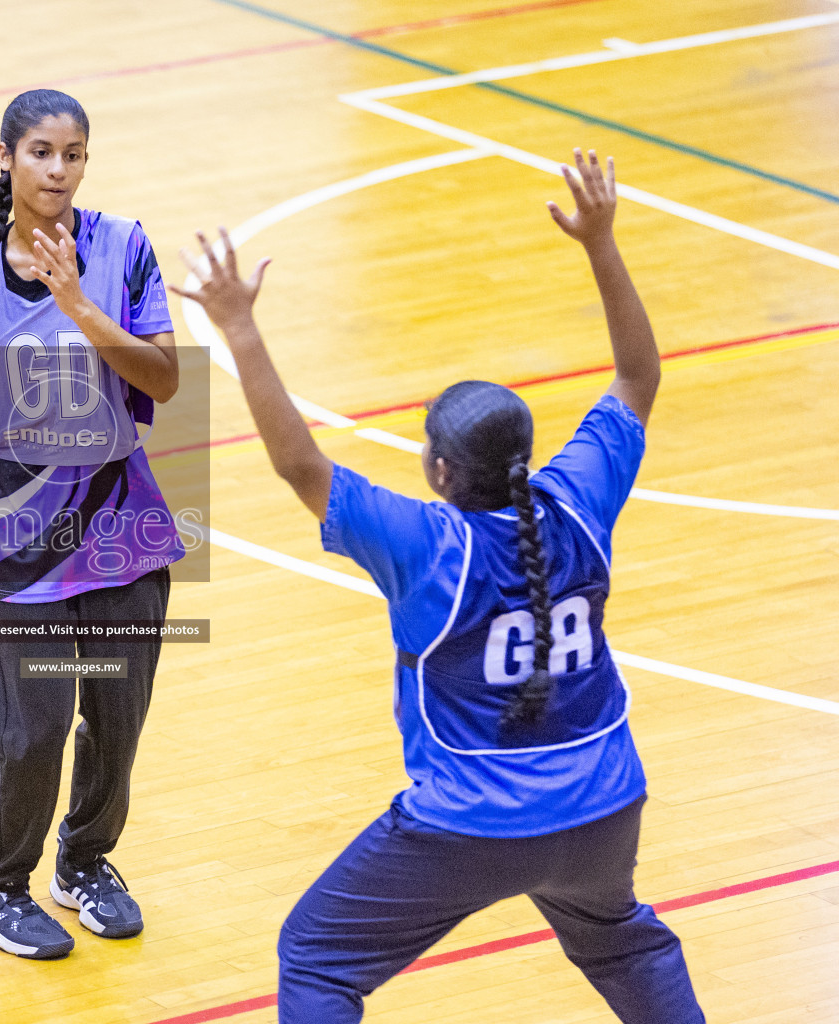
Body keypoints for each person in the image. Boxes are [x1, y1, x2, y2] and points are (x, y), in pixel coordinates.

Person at [173, 150, 704, 1022]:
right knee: (620, 939)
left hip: (472, 824)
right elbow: (638, 379)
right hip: (607, 801)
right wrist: (602, 244)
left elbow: (300, 463)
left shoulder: (427, 546)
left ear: (441, 469)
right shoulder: (575, 502)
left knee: (315, 957)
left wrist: (239, 329)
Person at [0, 90, 183, 959]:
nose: (60, 170)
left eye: (75, 154)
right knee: (37, 726)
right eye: (43, 153)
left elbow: (166, 382)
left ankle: (85, 862)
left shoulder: (123, 246)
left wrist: (83, 309)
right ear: (6, 158)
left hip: (122, 514)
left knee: (117, 715)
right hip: (21, 523)